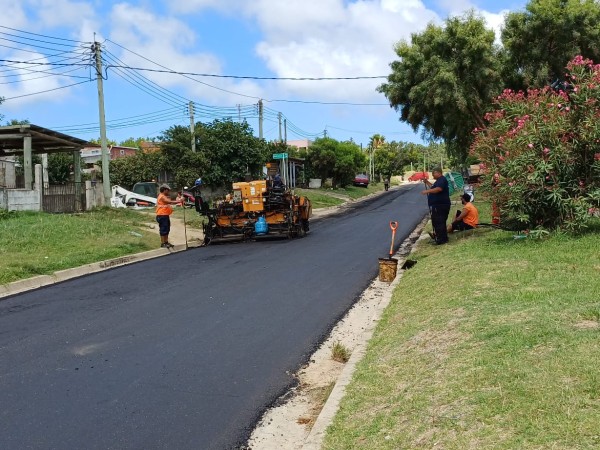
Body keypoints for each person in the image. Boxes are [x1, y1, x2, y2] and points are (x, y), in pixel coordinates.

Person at [421, 167, 450, 245]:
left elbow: (438, 189)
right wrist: (427, 182)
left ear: (438, 173)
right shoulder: (438, 181)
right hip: (437, 206)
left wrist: (427, 191)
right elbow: (433, 187)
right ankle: (441, 237)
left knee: (439, 222)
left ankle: (441, 239)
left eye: (433, 173)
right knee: (438, 222)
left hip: (440, 206)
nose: (433, 175)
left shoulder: (442, 180)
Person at [155, 184, 182, 248]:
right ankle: (163, 243)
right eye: (168, 190)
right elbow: (170, 202)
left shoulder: (163, 196)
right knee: (163, 229)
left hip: (165, 215)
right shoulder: (162, 196)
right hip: (162, 215)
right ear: (164, 190)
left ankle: (166, 242)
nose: (169, 192)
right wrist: (179, 201)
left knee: (167, 229)